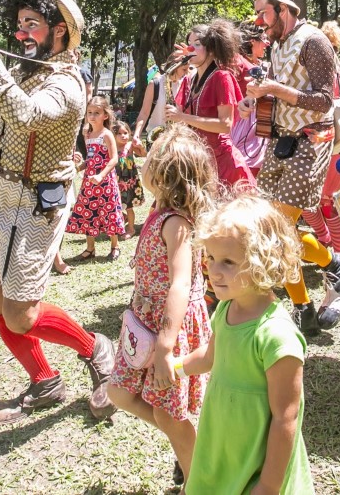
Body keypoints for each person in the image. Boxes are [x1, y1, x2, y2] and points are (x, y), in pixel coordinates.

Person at [0, 0, 115, 425]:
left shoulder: (67, 82)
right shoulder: (26, 70)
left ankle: (96, 348)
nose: (21, 32)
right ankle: (45, 380)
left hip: (35, 201)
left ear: (60, 31)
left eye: (32, 24)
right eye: (19, 24)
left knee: (21, 314)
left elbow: (29, 115)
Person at [240, 0, 340, 336]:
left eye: (263, 13)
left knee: (277, 229)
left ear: (283, 9)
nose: (259, 21)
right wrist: (254, 99)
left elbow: (323, 100)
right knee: (272, 227)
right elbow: (277, 93)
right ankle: (312, 293)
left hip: (311, 140)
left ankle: (327, 271)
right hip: (279, 141)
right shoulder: (277, 45)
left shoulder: (315, 41)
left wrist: (274, 89)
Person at [180, 195, 313, 494]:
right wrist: (173, 368)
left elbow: (285, 418)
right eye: (211, 258)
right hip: (223, 438)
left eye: (228, 262)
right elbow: (210, 357)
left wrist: (268, 485)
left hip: (260, 454)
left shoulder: (276, 335)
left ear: (263, 262)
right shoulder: (227, 309)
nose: (213, 270)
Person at [107, 126, 217, 486]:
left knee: (168, 414)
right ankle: (192, 447)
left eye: (149, 160)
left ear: (163, 175)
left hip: (171, 327)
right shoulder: (160, 210)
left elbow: (181, 283)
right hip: (145, 320)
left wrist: (167, 345)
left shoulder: (176, 224)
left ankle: (198, 479)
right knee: (119, 392)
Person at [168, 20, 255, 189]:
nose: (190, 48)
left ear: (212, 49)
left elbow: (225, 125)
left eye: (197, 44)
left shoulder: (221, 77)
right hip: (198, 160)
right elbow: (184, 119)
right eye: (189, 44)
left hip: (222, 164)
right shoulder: (190, 79)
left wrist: (182, 116)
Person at [304, 21, 340, 254]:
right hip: (318, 142)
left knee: (329, 205)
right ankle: (325, 239)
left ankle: (338, 256)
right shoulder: (311, 75)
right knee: (309, 203)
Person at [66, 96, 125, 260]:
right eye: (89, 112)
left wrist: (101, 175)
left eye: (96, 113)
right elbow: (91, 159)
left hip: (105, 181)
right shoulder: (88, 135)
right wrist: (79, 168)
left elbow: (114, 159)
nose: (92, 116)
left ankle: (115, 245)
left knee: (109, 210)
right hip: (89, 180)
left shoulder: (107, 134)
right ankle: (90, 248)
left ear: (105, 115)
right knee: (87, 211)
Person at [230, 21, 269, 176]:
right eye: (264, 39)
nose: (266, 44)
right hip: (244, 122)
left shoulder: (253, 63)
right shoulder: (239, 62)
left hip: (256, 121)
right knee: (246, 167)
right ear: (253, 41)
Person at [134, 47, 190, 146]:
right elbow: (144, 113)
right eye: (184, 69)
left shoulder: (187, 84)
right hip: (156, 140)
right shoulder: (155, 84)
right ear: (174, 67)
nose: (187, 73)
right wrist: (136, 134)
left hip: (178, 140)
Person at [113, 122, 144, 237]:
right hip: (116, 181)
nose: (123, 136)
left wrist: (140, 147)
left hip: (130, 182)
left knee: (129, 206)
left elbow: (143, 154)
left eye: (125, 133)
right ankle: (123, 219)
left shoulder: (130, 146)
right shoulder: (112, 146)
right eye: (119, 133)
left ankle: (131, 229)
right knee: (116, 205)